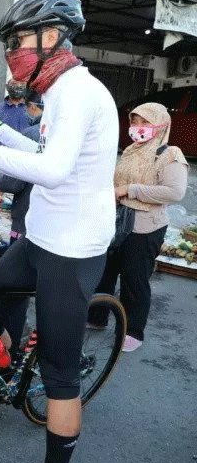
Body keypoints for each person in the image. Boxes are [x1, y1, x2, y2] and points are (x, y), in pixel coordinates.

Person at [0, 0, 117, 463]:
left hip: (73, 247)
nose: (11, 52)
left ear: (53, 37)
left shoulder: (78, 92)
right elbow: (43, 149)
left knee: (61, 374)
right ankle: (8, 379)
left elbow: (53, 170)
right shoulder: (58, 90)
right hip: (40, 235)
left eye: (18, 41)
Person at [93, 102, 188, 352]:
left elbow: (174, 192)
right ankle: (97, 317)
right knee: (104, 271)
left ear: (161, 124)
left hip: (145, 227)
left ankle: (132, 331)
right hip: (117, 221)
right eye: (135, 122)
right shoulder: (131, 150)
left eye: (145, 122)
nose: (138, 127)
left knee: (134, 280)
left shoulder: (170, 154)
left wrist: (130, 190)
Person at [0, 92, 43, 361]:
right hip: (44, 225)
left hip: (26, 223)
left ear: (33, 106)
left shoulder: (32, 135)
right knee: (29, 290)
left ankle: (11, 347)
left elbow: (16, 182)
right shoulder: (62, 135)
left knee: (14, 292)